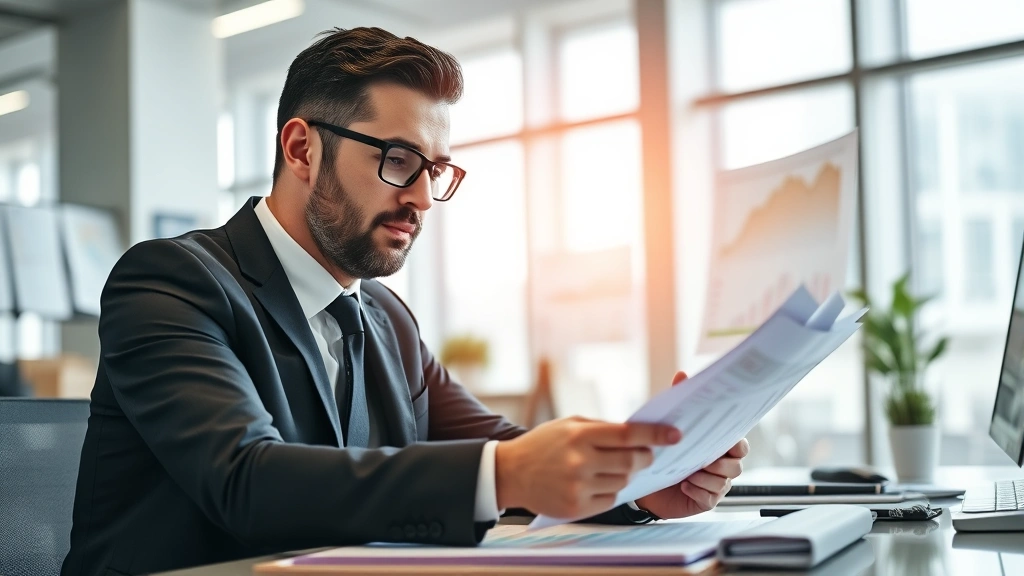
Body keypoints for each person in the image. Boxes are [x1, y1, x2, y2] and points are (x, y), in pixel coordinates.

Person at [61, 27, 748, 576]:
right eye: (398, 159)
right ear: (302, 149)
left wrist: (638, 483)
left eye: (436, 170)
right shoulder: (170, 282)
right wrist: (511, 472)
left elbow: (509, 451)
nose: (421, 196)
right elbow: (246, 481)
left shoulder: (387, 318)